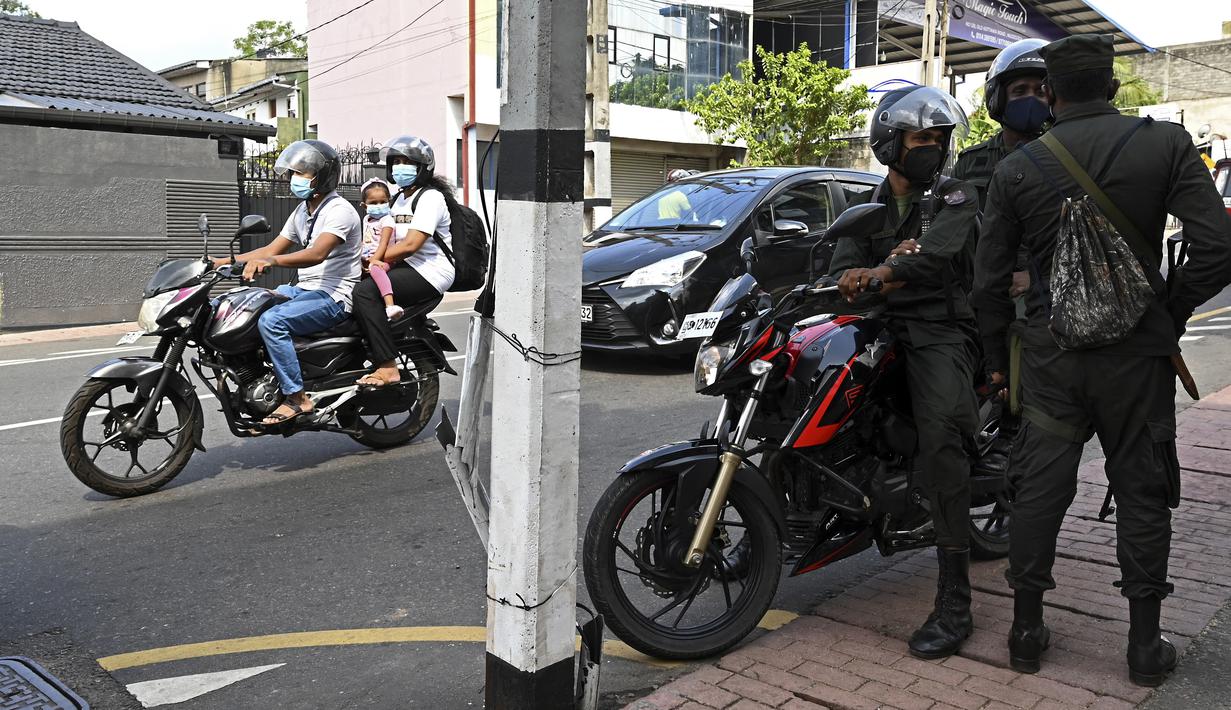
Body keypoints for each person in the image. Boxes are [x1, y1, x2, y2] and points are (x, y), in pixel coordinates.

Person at [973, 34, 1231, 685]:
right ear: (1113, 87)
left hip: (1052, 358)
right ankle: (1143, 648)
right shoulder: (1165, 144)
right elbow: (1217, 248)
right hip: (1136, 360)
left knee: (1038, 490)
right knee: (1142, 492)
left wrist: (996, 362)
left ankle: (1025, 633)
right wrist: (1167, 313)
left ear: (1049, 95)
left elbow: (988, 283)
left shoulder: (1016, 170)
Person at [828, 85, 982, 660]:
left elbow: (935, 255)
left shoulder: (955, 195)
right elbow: (844, 264)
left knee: (941, 439)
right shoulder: (865, 204)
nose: (933, 148)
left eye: (939, 139)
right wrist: (851, 277)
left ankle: (955, 599)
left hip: (939, 329)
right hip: (879, 326)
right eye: (922, 138)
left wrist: (883, 272)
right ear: (890, 143)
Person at [214, 140, 362, 425]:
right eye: (293, 172)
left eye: (301, 173)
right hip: (305, 290)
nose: (294, 178)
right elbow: (271, 249)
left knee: (272, 321)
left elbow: (316, 254)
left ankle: (297, 397)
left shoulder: (339, 210)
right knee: (249, 305)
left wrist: (272, 262)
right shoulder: (303, 211)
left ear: (322, 176)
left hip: (334, 296)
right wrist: (221, 262)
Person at [352, 135, 454, 388]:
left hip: (431, 271)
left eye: (407, 162)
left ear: (422, 167)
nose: (400, 167)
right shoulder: (397, 199)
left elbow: (410, 245)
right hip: (403, 265)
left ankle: (387, 367)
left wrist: (375, 259)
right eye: (396, 162)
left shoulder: (430, 198)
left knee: (365, 292)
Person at [358, 178, 403, 321]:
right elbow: (366, 240)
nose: (379, 205)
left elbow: (383, 244)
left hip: (384, 259)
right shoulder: (366, 219)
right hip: (369, 258)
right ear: (364, 205)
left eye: (383, 202)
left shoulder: (387, 220)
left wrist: (373, 261)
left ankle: (390, 305)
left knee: (376, 270)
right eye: (373, 203)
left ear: (389, 201)